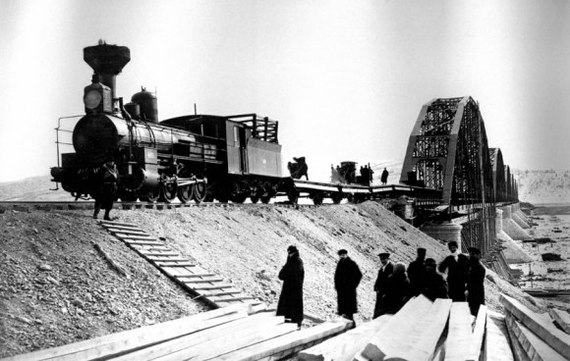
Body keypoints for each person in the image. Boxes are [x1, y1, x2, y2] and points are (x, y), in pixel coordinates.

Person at [277, 245, 305, 328]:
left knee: (290, 305)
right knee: (292, 306)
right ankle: (293, 320)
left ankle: (292, 320)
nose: (289, 255)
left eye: (291, 253)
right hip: (293, 288)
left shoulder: (294, 262)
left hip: (292, 288)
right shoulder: (296, 261)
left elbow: (283, 275)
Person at [334, 249, 363, 322]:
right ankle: (344, 319)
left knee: (349, 308)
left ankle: (351, 323)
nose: (342, 256)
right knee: (342, 307)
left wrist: (353, 285)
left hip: (349, 289)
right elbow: (337, 276)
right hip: (341, 289)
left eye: (343, 255)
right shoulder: (340, 263)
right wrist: (337, 285)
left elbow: (359, 275)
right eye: (340, 255)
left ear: (346, 254)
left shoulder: (351, 263)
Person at [373, 252, 394, 318]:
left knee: (383, 308)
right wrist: (376, 287)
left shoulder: (392, 268)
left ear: (388, 259)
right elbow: (378, 279)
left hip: (386, 294)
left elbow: (391, 283)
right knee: (378, 306)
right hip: (379, 292)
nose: (382, 261)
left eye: (384, 259)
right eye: (381, 259)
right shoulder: (382, 268)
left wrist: (386, 293)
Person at [466, 247, 486, 316]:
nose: (471, 256)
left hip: (477, 294)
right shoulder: (470, 266)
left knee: (478, 312)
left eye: (473, 254)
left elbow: (476, 283)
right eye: (470, 254)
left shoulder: (480, 268)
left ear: (478, 255)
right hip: (470, 293)